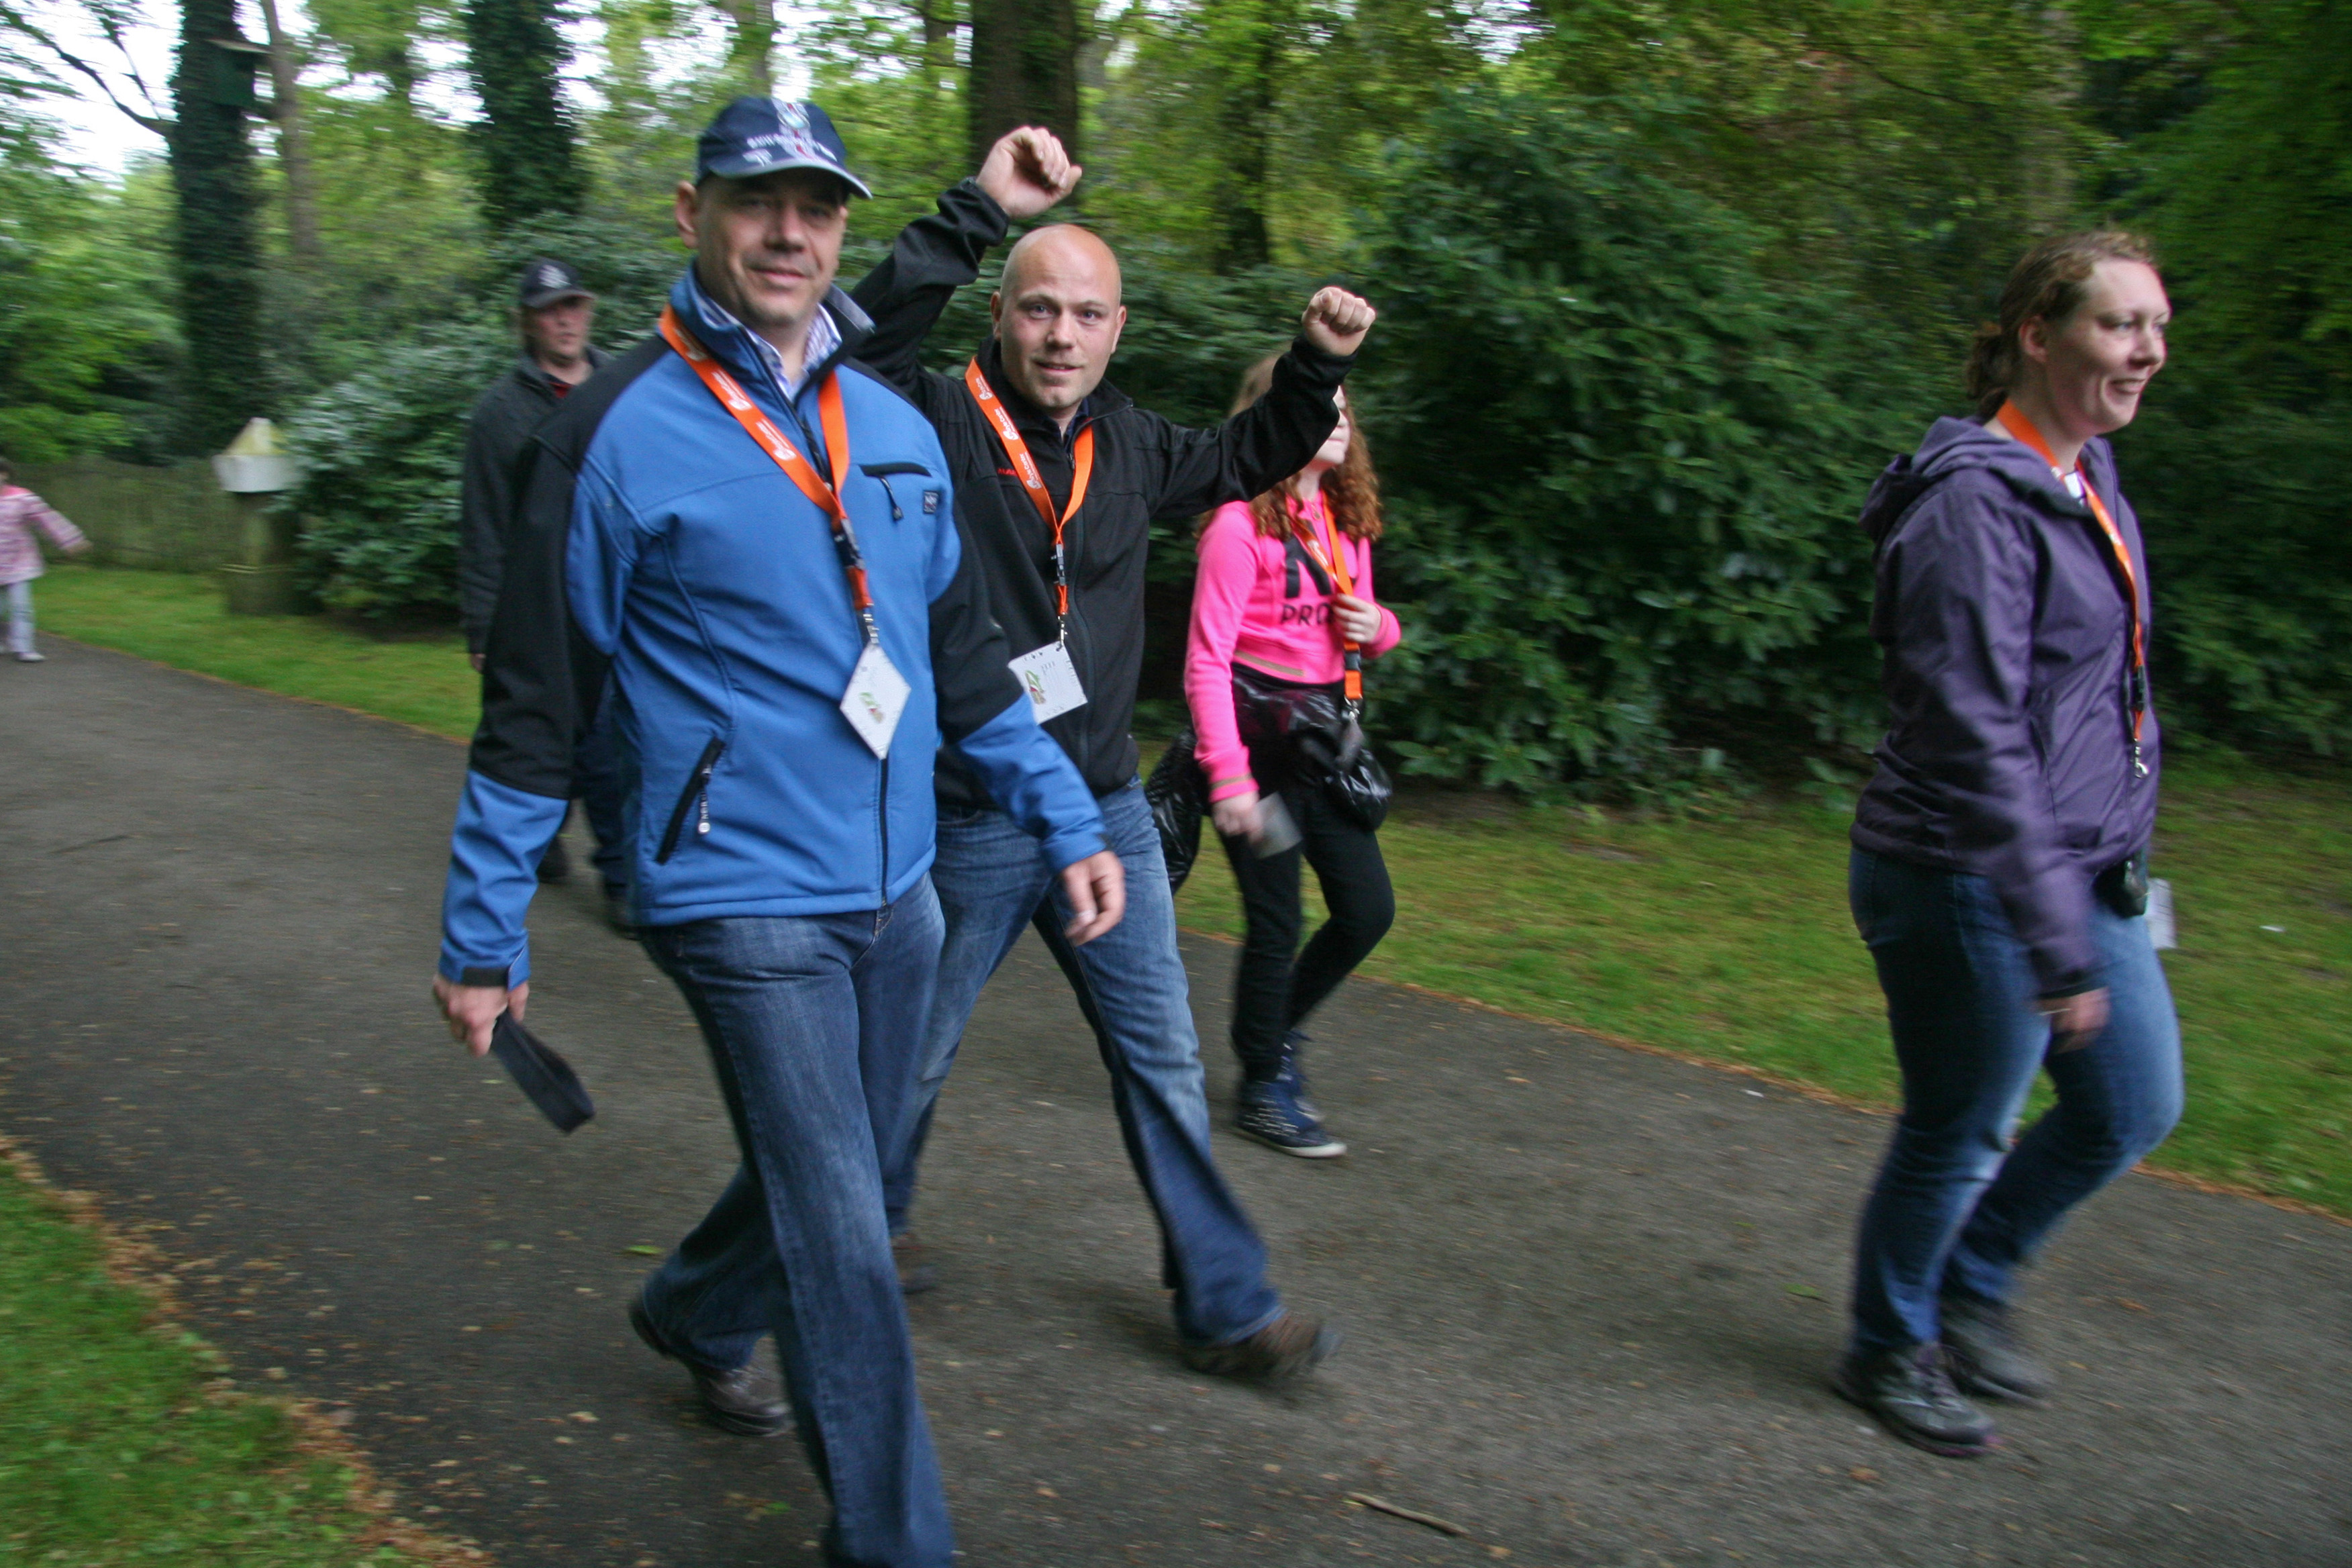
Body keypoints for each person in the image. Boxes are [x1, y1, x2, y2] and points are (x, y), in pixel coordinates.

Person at [430, 98, 1124, 1568]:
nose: (788, 232)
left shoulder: (892, 424)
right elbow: (535, 704)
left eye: (816, 207)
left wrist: (1065, 816)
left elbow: (965, 664)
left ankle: (692, 1307)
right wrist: (484, 930)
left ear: (839, 227)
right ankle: (892, 1540)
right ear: (695, 214)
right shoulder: (610, 434)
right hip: (733, 890)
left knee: (841, 1171)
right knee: (845, 1233)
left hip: (901, 886)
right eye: (757, 202)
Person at [847, 156, 1375, 1377]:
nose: (1061, 335)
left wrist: (1314, 364)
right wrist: (979, 213)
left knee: (1163, 1059)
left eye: (1087, 314)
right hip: (971, 811)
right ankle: (861, 1230)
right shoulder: (930, 419)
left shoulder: (1132, 443)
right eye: (1038, 308)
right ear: (998, 313)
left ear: (1117, 328)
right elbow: (856, 342)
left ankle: (1225, 1308)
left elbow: (1251, 453)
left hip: (1102, 808)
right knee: (911, 1051)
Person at [1835, 231, 2184, 1459]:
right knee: (1962, 1125)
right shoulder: (1973, 506)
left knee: (2132, 1104)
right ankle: (1887, 1345)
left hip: (2077, 863)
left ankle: (1968, 1280)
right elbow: (1977, 734)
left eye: (2156, 326)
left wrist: (2118, 856)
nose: (2147, 350)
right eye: (2118, 324)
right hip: (1960, 873)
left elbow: (2094, 692)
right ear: (2037, 336)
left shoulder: (2083, 475)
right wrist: (2054, 941)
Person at [1185, 360, 1400, 1157]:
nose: (1339, 420)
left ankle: (1275, 1031)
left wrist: (1379, 625)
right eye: (1320, 407)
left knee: (1367, 910)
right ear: (1276, 420)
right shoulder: (1238, 526)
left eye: (1344, 407)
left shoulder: (1346, 519)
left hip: (1322, 750)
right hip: (1259, 763)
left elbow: (1364, 631)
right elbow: (1206, 661)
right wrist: (1229, 776)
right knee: (1278, 923)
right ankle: (1262, 1084)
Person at [456, 258, 619, 907]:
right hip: (536, 601)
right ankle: (539, 836)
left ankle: (623, 877)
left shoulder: (624, 390)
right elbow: (485, 523)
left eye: (574, 305)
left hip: (615, 594)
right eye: (550, 310)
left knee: (612, 736)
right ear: (527, 322)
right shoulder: (499, 413)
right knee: (535, 728)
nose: (565, 320)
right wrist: (483, 626)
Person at [0, 454, 91, 663]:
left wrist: (71, 540)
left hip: (18, 563)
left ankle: (23, 647)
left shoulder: (23, 498)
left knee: (21, 607)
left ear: (4, 474)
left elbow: (47, 519)